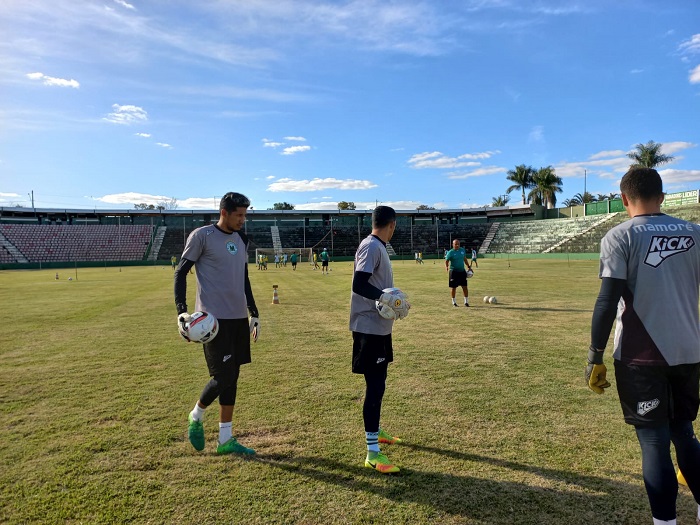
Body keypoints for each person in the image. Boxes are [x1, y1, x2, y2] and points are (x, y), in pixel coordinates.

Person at [586, 167, 700, 525]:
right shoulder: (695, 233)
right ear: (662, 196)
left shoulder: (621, 236)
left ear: (623, 199)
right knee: (684, 432)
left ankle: (665, 522)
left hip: (641, 355)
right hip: (690, 352)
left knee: (653, 442)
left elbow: (607, 302)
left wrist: (594, 355)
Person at [174, 192, 261, 456]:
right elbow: (181, 272)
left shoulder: (242, 239)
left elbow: (243, 277)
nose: (242, 220)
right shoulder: (201, 236)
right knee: (223, 376)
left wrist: (253, 311)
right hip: (212, 322)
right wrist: (182, 311)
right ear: (224, 212)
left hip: (237, 318)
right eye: (239, 215)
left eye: (245, 215)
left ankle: (225, 439)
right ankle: (196, 415)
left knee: (233, 378)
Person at [350, 205, 406, 474]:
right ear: (391, 224)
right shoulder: (371, 246)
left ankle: (377, 430)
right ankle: (372, 452)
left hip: (380, 327)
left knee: (379, 383)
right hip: (368, 327)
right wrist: (383, 297)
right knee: (374, 385)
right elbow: (358, 284)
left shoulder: (378, 245)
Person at [444, 239, 472, 307]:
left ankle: (466, 302)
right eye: (456, 244)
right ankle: (454, 302)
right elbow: (447, 260)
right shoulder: (450, 252)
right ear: (452, 245)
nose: (457, 245)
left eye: (458, 244)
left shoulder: (462, 250)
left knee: (465, 287)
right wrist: (447, 267)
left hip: (462, 271)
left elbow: (465, 259)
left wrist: (468, 266)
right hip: (453, 272)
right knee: (453, 287)